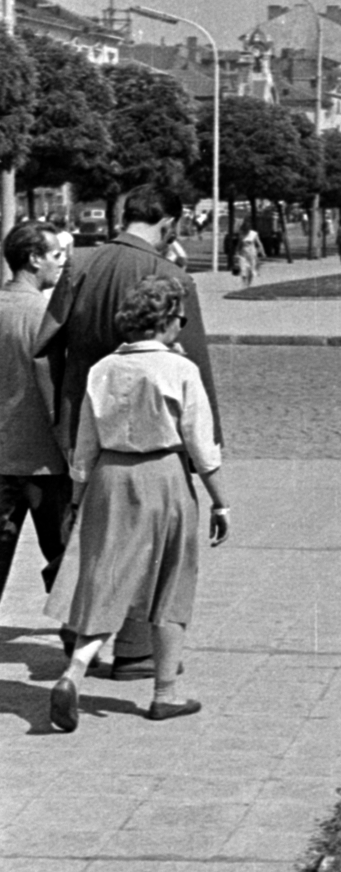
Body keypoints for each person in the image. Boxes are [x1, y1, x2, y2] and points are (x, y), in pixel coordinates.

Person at [34, 184, 223, 680]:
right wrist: (209, 444)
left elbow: (45, 345)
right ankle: (137, 652)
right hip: (154, 433)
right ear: (169, 225)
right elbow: (194, 371)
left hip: (86, 420)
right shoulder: (172, 276)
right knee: (155, 544)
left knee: (92, 536)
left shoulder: (80, 265)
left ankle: (79, 638)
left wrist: (63, 410)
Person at [48, 277, 229, 733]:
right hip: (163, 474)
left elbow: (84, 444)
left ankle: (74, 673)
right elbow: (200, 443)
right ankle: (165, 692)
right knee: (172, 578)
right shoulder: (179, 370)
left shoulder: (103, 369)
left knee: (107, 578)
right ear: (167, 321)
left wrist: (76, 498)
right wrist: (220, 502)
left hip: (109, 477)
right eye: (180, 320)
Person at [0, 222, 71, 616]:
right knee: (64, 556)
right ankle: (75, 644)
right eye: (56, 254)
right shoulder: (46, 315)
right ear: (33, 258)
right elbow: (56, 387)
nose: (62, 263)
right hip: (45, 458)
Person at [236, 220, 264, 288]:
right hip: (243, 254)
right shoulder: (241, 234)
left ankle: (249, 284)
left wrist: (262, 252)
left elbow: (259, 244)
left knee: (251, 270)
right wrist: (236, 252)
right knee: (243, 270)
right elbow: (239, 244)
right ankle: (244, 284)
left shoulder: (254, 234)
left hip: (252, 254)